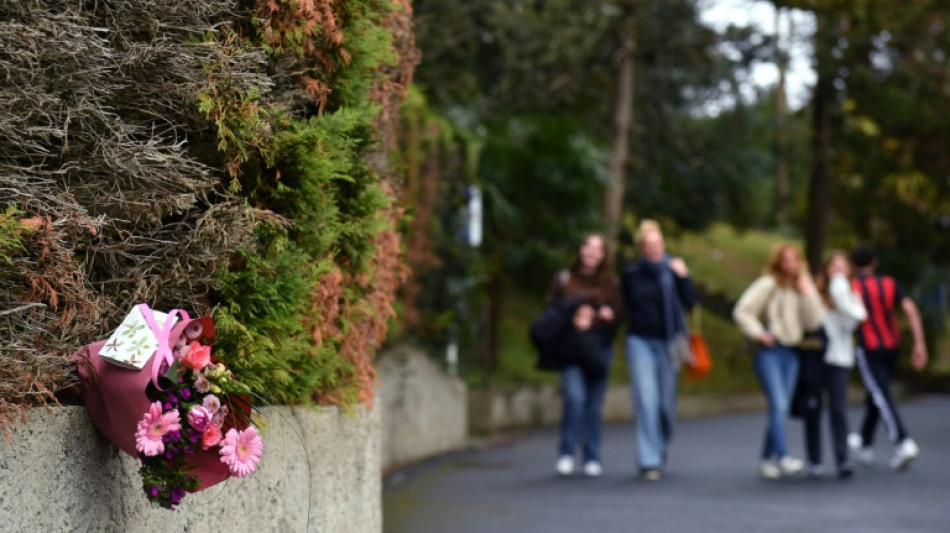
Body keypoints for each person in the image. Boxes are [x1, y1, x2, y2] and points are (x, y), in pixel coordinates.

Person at [733, 243, 824, 480]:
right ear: (778, 263)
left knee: (779, 408)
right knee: (780, 404)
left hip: (793, 353)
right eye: (786, 260)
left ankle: (766, 459)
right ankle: (783, 456)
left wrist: (808, 294)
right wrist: (759, 333)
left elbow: (814, 323)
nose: (790, 265)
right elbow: (742, 311)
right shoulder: (768, 284)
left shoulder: (802, 287)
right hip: (771, 351)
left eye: (794, 260)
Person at [620, 220, 695, 482]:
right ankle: (649, 460)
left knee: (665, 405)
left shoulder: (672, 271)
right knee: (646, 400)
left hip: (668, 343)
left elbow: (691, 302)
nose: (654, 249)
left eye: (658, 244)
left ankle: (660, 447)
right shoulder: (631, 274)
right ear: (642, 248)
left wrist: (684, 277)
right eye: (648, 245)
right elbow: (623, 306)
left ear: (663, 246)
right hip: (640, 341)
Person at [544, 234, 622, 477]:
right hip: (570, 350)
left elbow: (619, 317)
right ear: (580, 250)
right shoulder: (564, 280)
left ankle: (591, 455)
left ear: (603, 255)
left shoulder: (611, 284)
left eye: (597, 249)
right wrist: (575, 318)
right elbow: (550, 314)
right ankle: (566, 453)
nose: (591, 252)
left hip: (598, 351)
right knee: (575, 399)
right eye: (587, 246)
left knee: (594, 405)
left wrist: (599, 318)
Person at [847, 243, 928, 470]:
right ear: (875, 262)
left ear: (853, 265)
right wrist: (919, 343)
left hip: (869, 348)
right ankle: (864, 442)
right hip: (891, 347)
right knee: (877, 393)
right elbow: (910, 310)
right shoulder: (889, 283)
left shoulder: (852, 286)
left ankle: (902, 442)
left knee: (880, 394)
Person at [801, 251, 867, 479]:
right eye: (834, 266)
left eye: (843, 267)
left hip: (840, 359)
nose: (838, 271)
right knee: (813, 409)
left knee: (838, 410)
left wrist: (841, 297)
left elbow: (855, 321)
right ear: (826, 269)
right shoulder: (815, 294)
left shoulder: (850, 296)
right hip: (818, 358)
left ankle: (843, 459)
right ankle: (814, 459)